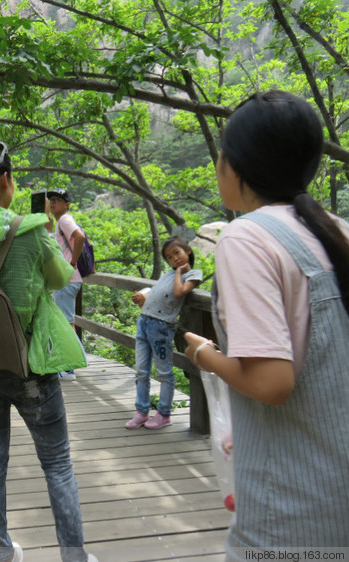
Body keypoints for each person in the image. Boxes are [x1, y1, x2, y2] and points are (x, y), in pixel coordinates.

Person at [183, 91, 349, 556]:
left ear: (235, 165)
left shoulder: (247, 238)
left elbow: (272, 382)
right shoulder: (335, 230)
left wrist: (204, 355)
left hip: (293, 505)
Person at [0, 142, 95, 562]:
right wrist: (47, 237)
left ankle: (0, 551)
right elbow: (60, 277)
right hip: (30, 365)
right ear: (7, 180)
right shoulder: (29, 229)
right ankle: (74, 556)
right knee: (58, 465)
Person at [125, 237, 202, 430]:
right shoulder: (167, 275)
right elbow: (157, 298)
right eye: (169, 257)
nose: (174, 259)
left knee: (164, 372)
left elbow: (179, 293)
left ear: (188, 251)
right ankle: (141, 412)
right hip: (144, 321)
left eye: (177, 253)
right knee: (141, 370)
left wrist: (178, 272)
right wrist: (141, 299)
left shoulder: (192, 274)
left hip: (161, 327)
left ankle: (164, 414)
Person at [45, 188, 86, 381]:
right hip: (69, 279)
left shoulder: (65, 220)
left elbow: (80, 237)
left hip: (68, 278)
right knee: (67, 321)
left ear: (66, 204)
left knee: (65, 322)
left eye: (57, 200)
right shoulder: (59, 222)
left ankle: (69, 368)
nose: (52, 203)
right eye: (50, 200)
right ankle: (76, 359)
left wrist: (72, 263)